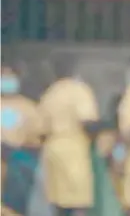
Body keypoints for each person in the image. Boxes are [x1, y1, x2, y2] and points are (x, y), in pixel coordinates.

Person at [39, 72, 101, 216]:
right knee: (78, 203)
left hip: (52, 149)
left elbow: (40, 129)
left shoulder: (50, 92)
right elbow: (87, 121)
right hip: (73, 150)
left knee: (57, 203)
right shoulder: (79, 90)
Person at [1, 67, 45, 216]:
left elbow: (38, 139)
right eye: (3, 77)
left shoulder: (28, 107)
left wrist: (16, 151)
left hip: (18, 167)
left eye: (10, 77)